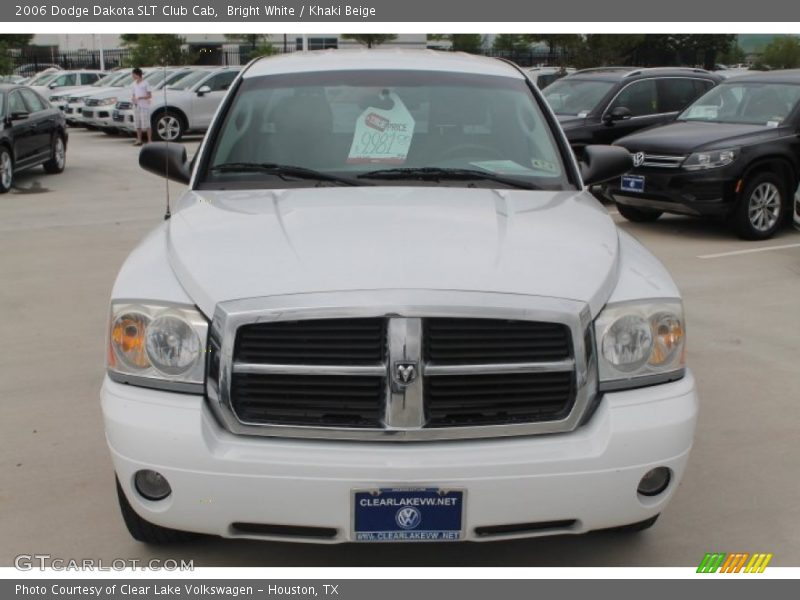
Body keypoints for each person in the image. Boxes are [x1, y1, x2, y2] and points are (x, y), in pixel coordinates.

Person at [131, 68, 152, 146]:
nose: (132, 76)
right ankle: (139, 139)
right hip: (136, 106)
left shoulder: (145, 83)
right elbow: (133, 94)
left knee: (146, 123)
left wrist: (140, 97)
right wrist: (133, 98)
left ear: (137, 74)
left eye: (133, 74)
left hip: (144, 106)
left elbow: (149, 95)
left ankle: (150, 140)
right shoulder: (134, 83)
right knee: (137, 123)